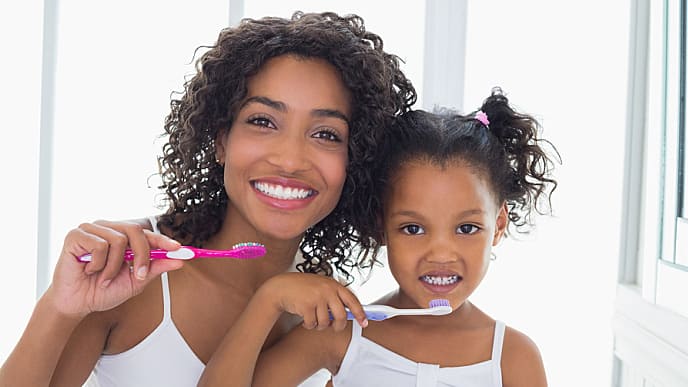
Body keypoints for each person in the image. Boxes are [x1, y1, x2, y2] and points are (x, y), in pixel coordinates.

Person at [0, 11, 416, 387]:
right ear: (220, 140)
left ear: (355, 160)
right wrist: (59, 306)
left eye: (326, 133)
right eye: (263, 121)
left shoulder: (327, 312)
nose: (290, 159)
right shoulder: (135, 272)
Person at [198, 88, 559, 387]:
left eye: (466, 228)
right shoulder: (339, 335)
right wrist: (270, 298)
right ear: (379, 224)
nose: (442, 253)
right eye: (413, 228)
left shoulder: (513, 359)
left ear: (497, 226)